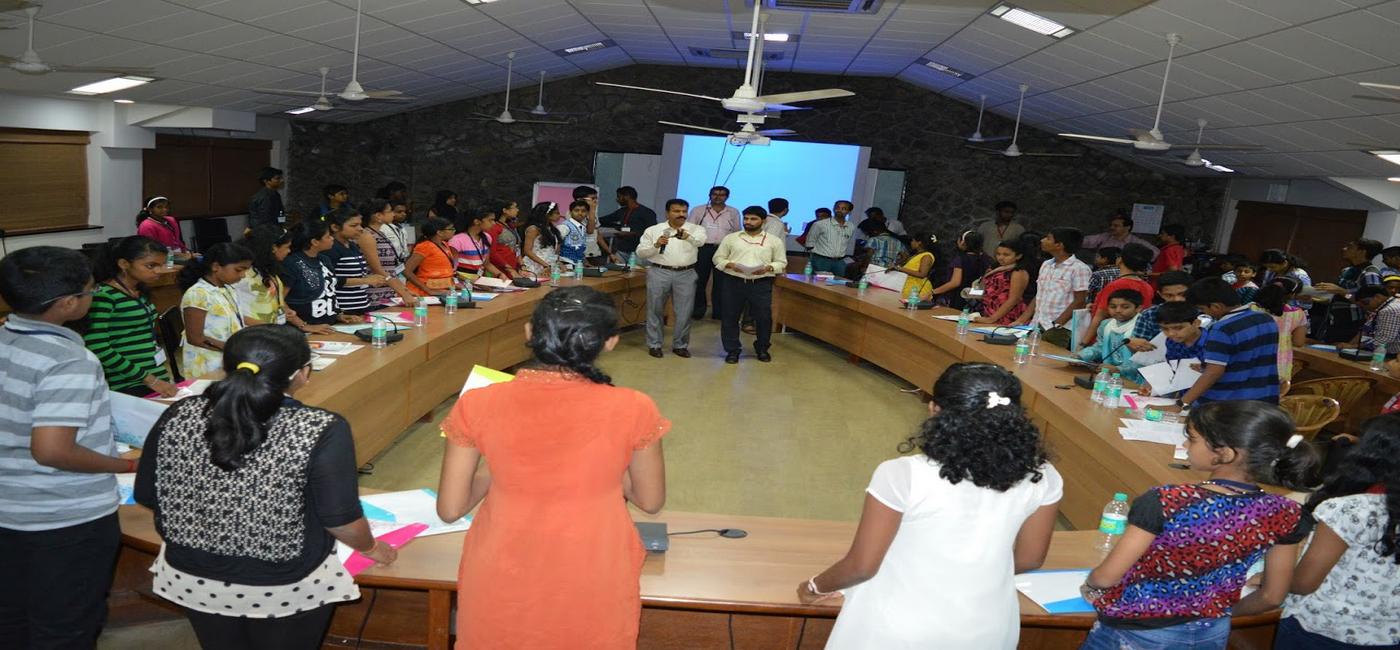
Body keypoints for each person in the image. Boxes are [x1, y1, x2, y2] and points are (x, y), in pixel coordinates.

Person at [135, 325, 396, 649]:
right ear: (303, 374)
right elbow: (340, 521)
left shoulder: (179, 413)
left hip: (191, 577)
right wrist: (372, 549)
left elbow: (148, 493)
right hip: (284, 584)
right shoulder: (320, 427)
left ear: (228, 367)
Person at [436, 286, 668, 649]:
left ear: (530, 331)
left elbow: (450, 509)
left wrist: (501, 467)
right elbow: (650, 501)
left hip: (502, 565)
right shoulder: (635, 406)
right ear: (610, 342)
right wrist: (605, 467)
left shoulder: (478, 402)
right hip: (593, 565)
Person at [802, 363, 1060, 649]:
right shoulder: (1043, 476)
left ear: (935, 410)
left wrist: (814, 586)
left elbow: (862, 566)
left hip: (898, 628)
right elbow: (1030, 559)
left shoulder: (903, 474)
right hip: (989, 627)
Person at [1079, 401, 1316, 650]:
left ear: (1225, 454)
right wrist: (1218, 612)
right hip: (1212, 632)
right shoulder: (1285, 512)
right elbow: (1272, 596)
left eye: (1192, 439)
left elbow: (1106, 577)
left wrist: (1091, 584)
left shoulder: (1167, 501)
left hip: (1138, 632)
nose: (1185, 445)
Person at [0, 247, 131, 649]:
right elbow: (53, 450)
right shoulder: (70, 360)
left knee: (12, 617)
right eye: (90, 290)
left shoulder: (5, 337)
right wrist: (126, 466)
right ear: (68, 303)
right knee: (66, 626)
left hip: (9, 509)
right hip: (63, 519)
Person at [1276, 414, 1400, 649]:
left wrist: (1272, 579)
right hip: (1389, 635)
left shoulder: (1350, 509)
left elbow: (1303, 584)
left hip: (1323, 631)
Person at [84, 236, 178, 397]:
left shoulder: (138, 291)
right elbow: (98, 347)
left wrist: (156, 378)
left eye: (161, 265)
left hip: (154, 377)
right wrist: (149, 379)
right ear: (124, 264)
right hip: (128, 383)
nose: (159, 271)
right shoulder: (104, 295)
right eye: (151, 266)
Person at [1179, 277, 1280, 408]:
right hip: (1265, 398)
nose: (1203, 313)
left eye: (1202, 309)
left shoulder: (1222, 328)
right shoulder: (1266, 319)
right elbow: (1249, 357)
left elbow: (1213, 373)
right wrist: (1206, 366)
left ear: (1216, 306)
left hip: (1228, 403)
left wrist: (1182, 403)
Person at [713, 205, 787, 364]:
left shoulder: (774, 241)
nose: (748, 222)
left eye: (753, 219)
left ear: (763, 221)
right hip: (734, 281)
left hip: (761, 283)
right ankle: (732, 350)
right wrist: (730, 264)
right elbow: (717, 258)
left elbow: (781, 262)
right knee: (730, 316)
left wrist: (769, 268)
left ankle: (762, 348)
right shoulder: (731, 238)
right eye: (746, 218)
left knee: (763, 317)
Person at [636, 199, 706, 358]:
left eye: (684, 211)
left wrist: (688, 237)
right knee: (655, 309)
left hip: (686, 273)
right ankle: (654, 344)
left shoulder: (696, 229)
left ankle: (680, 345)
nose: (681, 214)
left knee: (684, 312)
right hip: (659, 271)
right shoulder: (653, 230)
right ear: (667, 213)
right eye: (676, 211)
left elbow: (700, 242)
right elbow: (641, 253)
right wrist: (656, 245)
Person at [238, 225, 335, 335]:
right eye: (287, 247)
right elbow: (235, 312)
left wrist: (294, 319)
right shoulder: (242, 275)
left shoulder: (267, 269)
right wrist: (268, 327)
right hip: (255, 334)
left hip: (274, 331)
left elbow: (277, 301)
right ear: (273, 248)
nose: (289, 251)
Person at [178, 242, 253, 378]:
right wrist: (233, 349)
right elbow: (195, 338)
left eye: (245, 271)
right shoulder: (198, 293)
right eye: (238, 270)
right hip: (207, 363)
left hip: (227, 356)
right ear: (216, 267)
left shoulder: (227, 289)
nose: (243, 275)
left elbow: (235, 318)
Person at [1014, 228, 1091, 340]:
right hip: (1038, 323)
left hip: (1061, 328)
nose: (1042, 240)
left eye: (1048, 238)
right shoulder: (1046, 264)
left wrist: (1057, 324)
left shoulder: (1079, 268)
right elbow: (1040, 294)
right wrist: (1022, 319)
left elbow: (1080, 301)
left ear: (1059, 245)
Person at [282, 219, 356, 325]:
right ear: (314, 242)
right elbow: (279, 299)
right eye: (328, 236)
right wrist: (302, 325)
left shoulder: (324, 259)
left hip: (328, 325)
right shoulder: (291, 263)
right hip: (304, 327)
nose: (332, 238)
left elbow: (329, 290)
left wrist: (338, 315)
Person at [1313, 239, 1384, 344]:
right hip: (1334, 319)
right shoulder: (1347, 271)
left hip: (1353, 323)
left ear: (1362, 252)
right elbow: (1342, 298)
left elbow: (1371, 305)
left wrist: (1341, 291)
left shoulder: (1370, 273)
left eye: (1350, 247)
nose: (1344, 249)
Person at [1083, 243, 1154, 346]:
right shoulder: (1147, 286)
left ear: (1120, 260)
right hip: (1132, 339)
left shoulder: (1116, 285)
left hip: (1109, 339)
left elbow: (1100, 316)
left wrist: (1083, 343)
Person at [320, 209, 387, 315]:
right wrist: (365, 280)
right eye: (354, 225)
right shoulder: (331, 249)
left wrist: (370, 279)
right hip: (343, 309)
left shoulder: (352, 246)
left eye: (360, 225)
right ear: (335, 227)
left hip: (361, 305)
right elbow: (328, 280)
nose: (360, 229)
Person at [689, 185, 741, 320]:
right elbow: (690, 229)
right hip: (703, 248)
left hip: (724, 249)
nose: (718, 197)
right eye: (715, 194)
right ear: (709, 195)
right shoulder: (699, 210)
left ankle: (718, 312)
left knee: (721, 282)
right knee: (700, 280)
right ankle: (698, 311)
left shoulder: (733, 212)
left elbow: (737, 231)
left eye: (722, 194)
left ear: (727, 197)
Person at [1137, 302, 1206, 397]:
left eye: (1178, 328)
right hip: (1184, 396)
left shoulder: (1211, 343)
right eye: (1165, 329)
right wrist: (1153, 383)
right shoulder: (1172, 341)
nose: (1171, 333)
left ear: (1196, 323)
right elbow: (1172, 368)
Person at [356, 198, 418, 305]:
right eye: (390, 211)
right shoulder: (367, 236)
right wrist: (403, 292)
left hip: (387, 289)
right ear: (378, 216)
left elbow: (389, 269)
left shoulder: (380, 233)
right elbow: (378, 269)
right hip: (374, 292)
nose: (393, 214)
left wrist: (404, 290)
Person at [1077, 289, 1145, 384]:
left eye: (1125, 307)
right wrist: (1081, 356)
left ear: (1138, 308)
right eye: (1113, 307)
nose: (1118, 310)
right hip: (1108, 375)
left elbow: (1144, 359)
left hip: (1135, 379)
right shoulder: (1106, 324)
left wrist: (1118, 369)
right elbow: (1100, 347)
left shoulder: (1143, 327)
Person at [1255, 277, 1310, 388]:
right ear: (1292, 295)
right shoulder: (1298, 314)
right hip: (1280, 365)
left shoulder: (1252, 308)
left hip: (1252, 361)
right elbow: (1298, 342)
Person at [1126, 270, 1194, 352]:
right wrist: (1134, 345)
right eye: (1169, 295)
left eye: (1182, 294)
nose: (1177, 299)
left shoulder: (1203, 311)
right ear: (1160, 294)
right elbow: (1138, 351)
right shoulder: (1149, 315)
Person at [974, 238, 1033, 325]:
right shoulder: (998, 269)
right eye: (998, 254)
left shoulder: (1018, 272)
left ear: (1018, 256)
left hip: (1007, 314)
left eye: (1006, 255)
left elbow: (1014, 299)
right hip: (990, 310)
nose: (1001, 258)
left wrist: (992, 319)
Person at [929, 230, 992, 309]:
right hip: (978, 299)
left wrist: (933, 292)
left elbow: (955, 283)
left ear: (963, 242)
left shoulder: (960, 259)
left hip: (959, 298)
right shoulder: (986, 259)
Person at [449, 208, 512, 279]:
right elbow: (452, 268)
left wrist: (500, 274)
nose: (494, 223)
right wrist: (468, 280)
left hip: (479, 280)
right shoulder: (457, 240)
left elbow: (486, 263)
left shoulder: (487, 237)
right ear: (477, 221)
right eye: (490, 220)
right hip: (463, 281)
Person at [403, 217, 458, 296]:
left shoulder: (444, 244)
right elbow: (406, 271)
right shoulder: (425, 246)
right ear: (439, 232)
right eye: (451, 229)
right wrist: (429, 291)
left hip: (444, 291)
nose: (454, 231)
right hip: (424, 293)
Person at [599, 186, 657, 256]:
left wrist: (631, 233)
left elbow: (652, 232)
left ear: (627, 197)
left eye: (619, 197)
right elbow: (606, 219)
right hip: (622, 249)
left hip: (638, 251)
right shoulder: (622, 211)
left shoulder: (647, 213)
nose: (617, 199)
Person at [807, 200, 857, 275]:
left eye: (843, 209)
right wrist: (817, 256)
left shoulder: (851, 226)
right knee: (819, 281)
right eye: (837, 208)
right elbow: (809, 243)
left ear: (849, 212)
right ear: (833, 208)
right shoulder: (820, 224)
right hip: (821, 260)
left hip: (839, 261)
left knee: (839, 281)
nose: (839, 210)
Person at [1081, 211, 1158, 258]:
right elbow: (1088, 241)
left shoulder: (1136, 242)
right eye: (1111, 225)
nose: (1111, 227)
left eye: (1116, 226)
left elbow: (1155, 252)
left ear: (1127, 227)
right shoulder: (1105, 237)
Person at [1353, 285, 1400, 355]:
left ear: (1378, 297)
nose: (1365, 307)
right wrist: (1349, 344)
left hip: (1394, 355)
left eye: (1365, 302)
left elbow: (1383, 340)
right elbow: (1366, 329)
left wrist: (1353, 346)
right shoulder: (1382, 306)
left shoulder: (1389, 310)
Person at [896, 233, 938, 303]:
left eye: (913, 240)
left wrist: (900, 268)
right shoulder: (917, 255)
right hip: (910, 288)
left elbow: (922, 274)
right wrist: (903, 260)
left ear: (919, 242)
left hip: (918, 291)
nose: (911, 242)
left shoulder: (927, 256)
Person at [486, 199, 523, 274]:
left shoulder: (510, 226)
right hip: (499, 269)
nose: (517, 210)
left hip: (512, 266)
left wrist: (522, 265)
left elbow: (516, 248)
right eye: (515, 207)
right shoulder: (494, 227)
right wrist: (509, 268)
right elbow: (492, 253)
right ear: (505, 210)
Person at [379, 199, 414, 267]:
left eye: (405, 212)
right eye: (399, 212)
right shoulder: (383, 228)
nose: (404, 214)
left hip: (401, 263)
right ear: (391, 212)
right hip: (388, 264)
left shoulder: (402, 228)